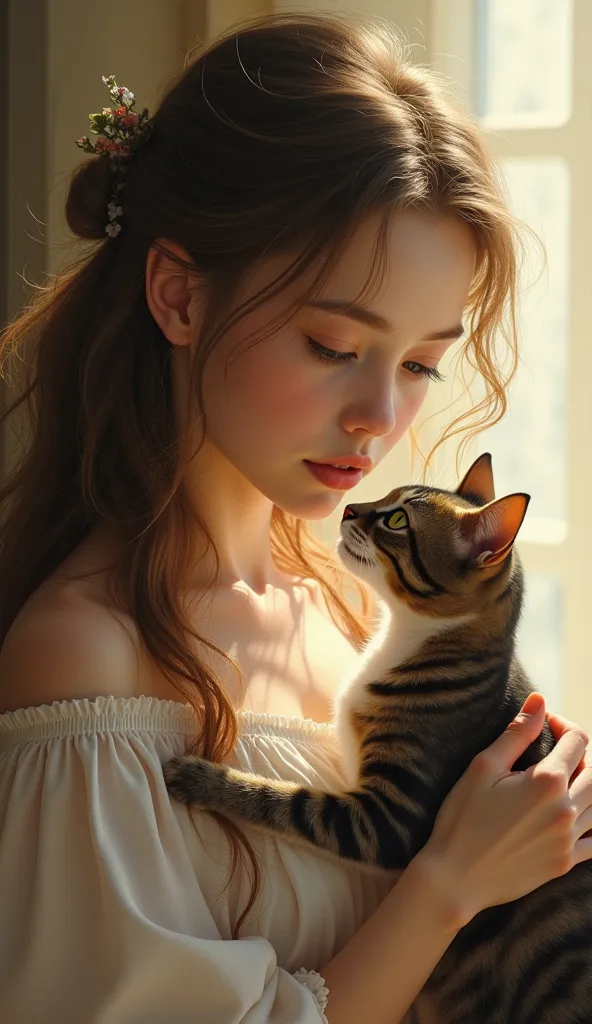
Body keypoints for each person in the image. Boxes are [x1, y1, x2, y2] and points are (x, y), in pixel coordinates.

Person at [0, 12, 591, 1024]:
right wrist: (448, 883)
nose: (380, 417)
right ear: (179, 298)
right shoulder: (85, 661)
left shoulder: (359, 617)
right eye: (331, 343)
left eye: (418, 363)